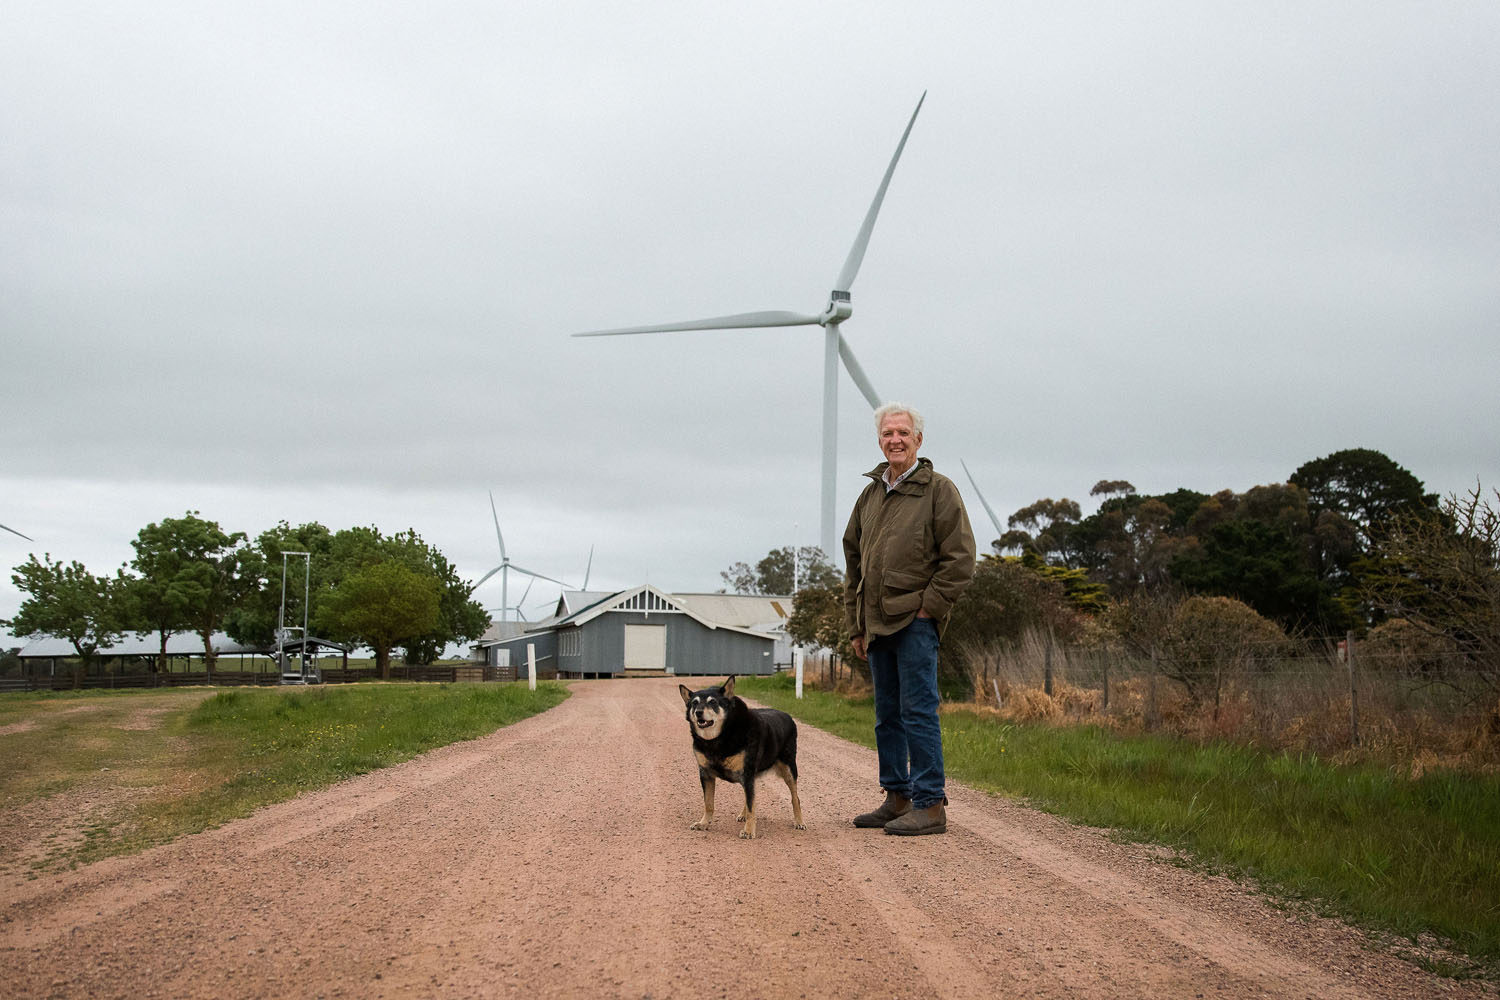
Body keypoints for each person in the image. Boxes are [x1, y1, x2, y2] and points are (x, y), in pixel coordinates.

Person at [843, 402, 976, 835]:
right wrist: (856, 626)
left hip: (915, 622)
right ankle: (897, 796)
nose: (895, 440)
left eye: (903, 433)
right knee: (887, 715)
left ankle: (930, 804)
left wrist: (929, 608)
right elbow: (854, 563)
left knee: (918, 711)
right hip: (876, 624)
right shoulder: (869, 495)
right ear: (879, 440)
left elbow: (960, 559)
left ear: (918, 439)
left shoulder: (938, 490)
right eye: (887, 434)